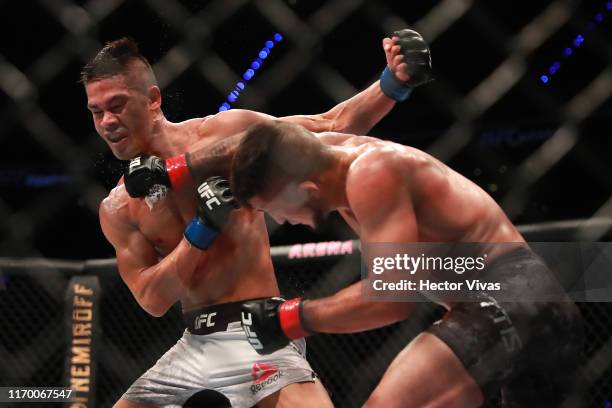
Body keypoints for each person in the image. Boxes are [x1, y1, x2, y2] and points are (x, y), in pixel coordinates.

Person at [85, 30, 431, 408]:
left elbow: (329, 125)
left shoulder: (222, 135)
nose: (107, 121)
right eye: (96, 111)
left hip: (258, 329)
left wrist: (392, 84)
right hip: (194, 343)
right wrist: (201, 231)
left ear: (153, 100)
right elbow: (152, 299)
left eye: (117, 105)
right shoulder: (117, 207)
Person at [228, 120, 584, 407]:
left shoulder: (371, 172)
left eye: (274, 207)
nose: (281, 220)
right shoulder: (321, 155)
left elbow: (393, 298)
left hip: (509, 300)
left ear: (306, 189)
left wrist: (290, 318)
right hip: (533, 310)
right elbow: (268, 133)